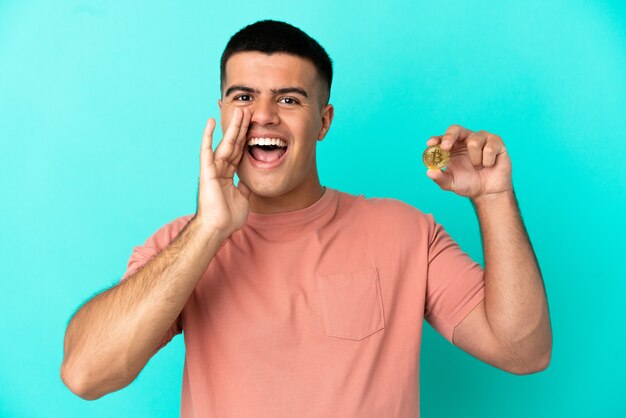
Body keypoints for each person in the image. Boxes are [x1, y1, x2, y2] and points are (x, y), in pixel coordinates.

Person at [61, 20, 552, 417]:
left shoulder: (406, 232)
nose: (264, 115)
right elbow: (85, 373)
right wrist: (208, 230)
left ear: (323, 121)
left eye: (289, 99)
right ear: (222, 108)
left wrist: (493, 198)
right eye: (243, 96)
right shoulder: (180, 245)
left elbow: (522, 351)